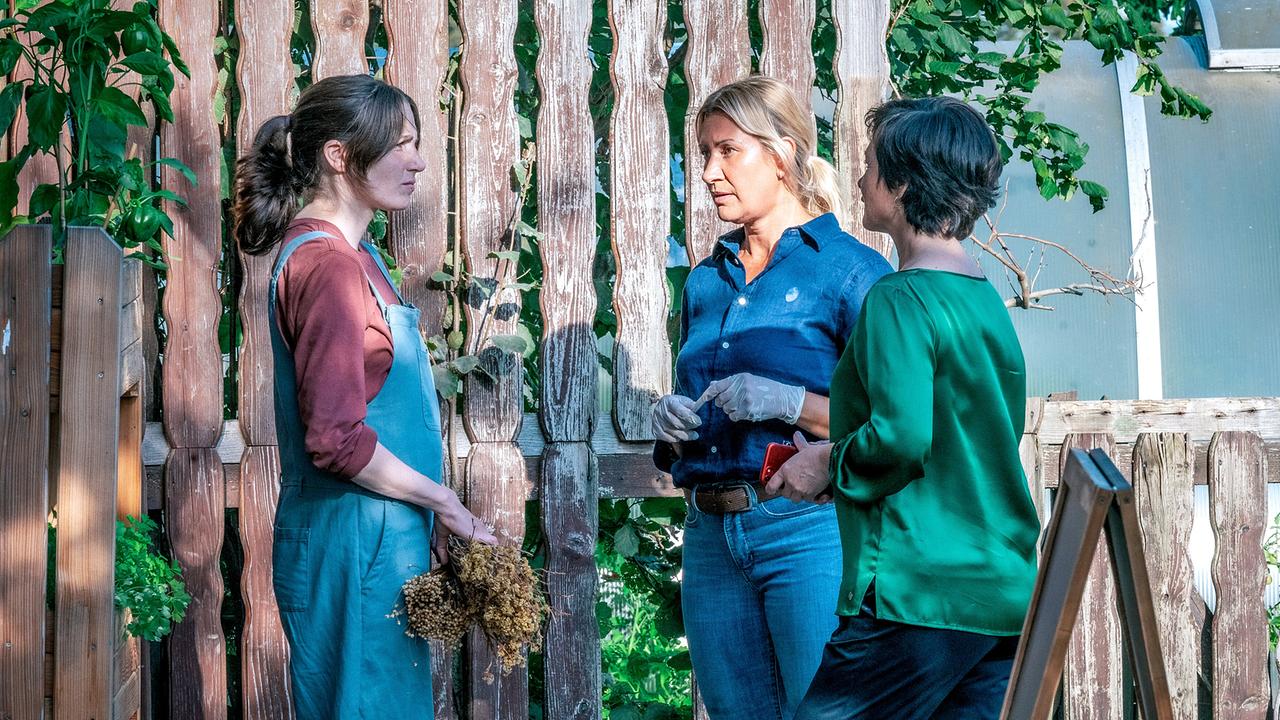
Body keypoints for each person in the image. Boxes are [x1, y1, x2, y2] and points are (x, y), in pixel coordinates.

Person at [232, 74, 496, 720]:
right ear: (339, 155)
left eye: (415, 143)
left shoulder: (359, 256)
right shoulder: (327, 267)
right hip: (350, 549)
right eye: (400, 144)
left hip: (379, 543)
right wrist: (444, 502)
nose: (418, 161)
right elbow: (335, 440)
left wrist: (423, 519)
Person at [768, 96, 1040, 719]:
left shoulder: (899, 298)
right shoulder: (983, 300)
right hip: (999, 591)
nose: (860, 177)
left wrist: (824, 464)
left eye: (869, 164)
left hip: (916, 590)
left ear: (904, 183)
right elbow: (955, 442)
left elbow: (901, 438)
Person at [650, 75, 892, 720]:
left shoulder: (851, 273)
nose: (708, 173)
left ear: (782, 155)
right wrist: (673, 421)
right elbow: (699, 405)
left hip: (810, 529)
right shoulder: (705, 281)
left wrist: (787, 401)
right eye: (704, 153)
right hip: (709, 536)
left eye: (728, 151)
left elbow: (897, 422)